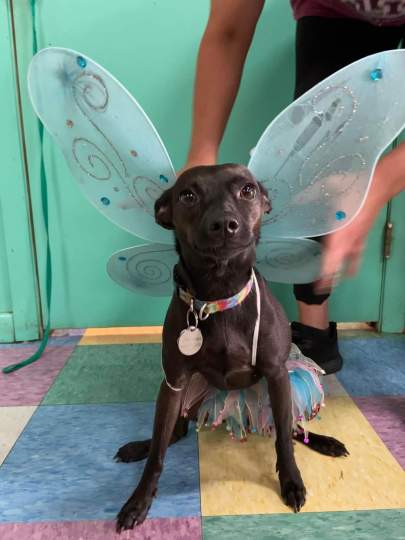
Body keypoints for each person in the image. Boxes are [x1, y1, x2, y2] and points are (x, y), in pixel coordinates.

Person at [180, 0, 405, 374]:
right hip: (333, 14)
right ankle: (315, 336)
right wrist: (201, 151)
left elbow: (371, 189)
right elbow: (229, 32)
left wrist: (372, 191)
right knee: (314, 153)